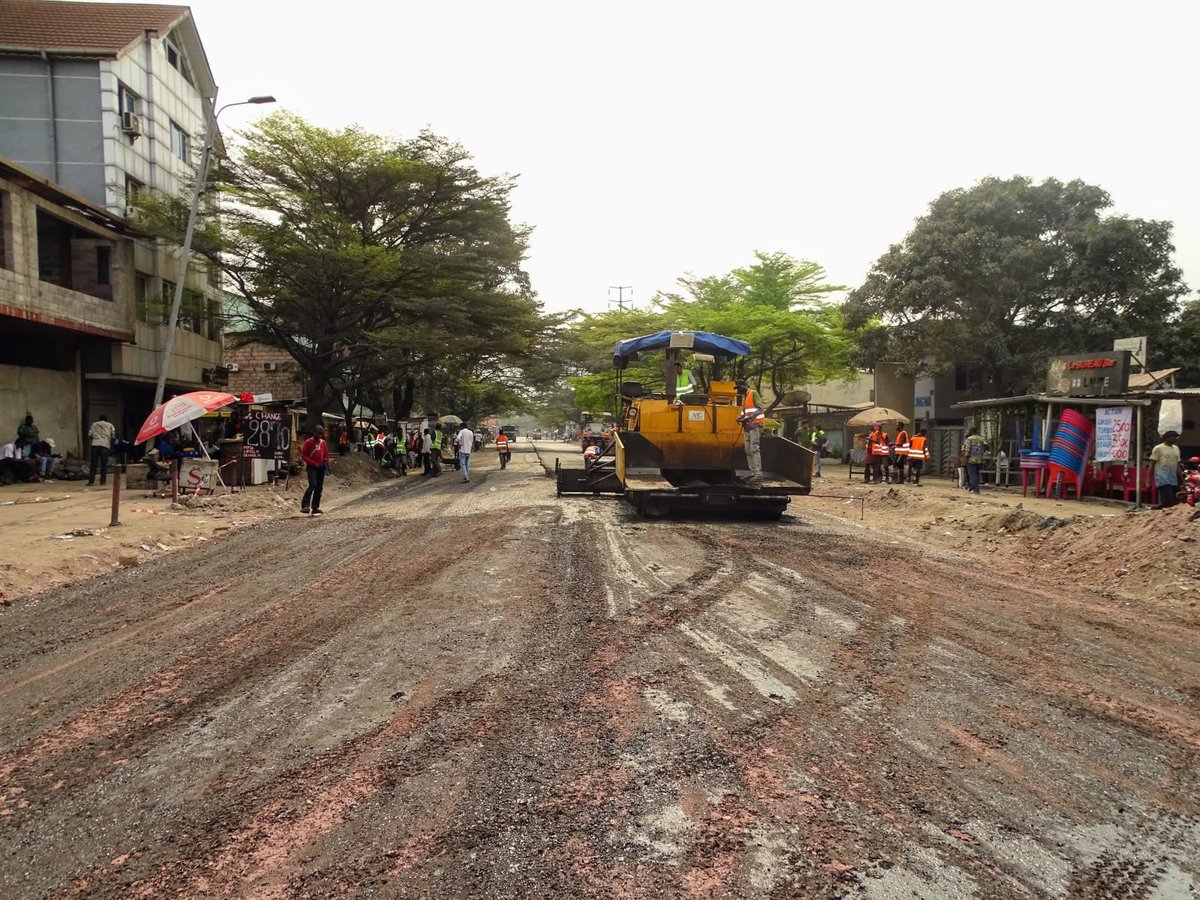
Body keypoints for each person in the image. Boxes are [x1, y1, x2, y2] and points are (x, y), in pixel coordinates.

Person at [737, 387, 765, 486]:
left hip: (755, 425)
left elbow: (760, 408)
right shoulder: (745, 398)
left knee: (754, 449)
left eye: (739, 389)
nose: (738, 392)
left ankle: (758, 474)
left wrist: (749, 417)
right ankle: (752, 472)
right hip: (747, 426)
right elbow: (745, 412)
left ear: (743, 388)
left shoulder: (753, 393)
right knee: (748, 450)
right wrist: (741, 418)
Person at [300, 425, 330, 516]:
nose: (320, 435)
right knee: (312, 485)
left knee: (319, 487)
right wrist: (312, 463)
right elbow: (303, 455)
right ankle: (305, 506)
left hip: (321, 467)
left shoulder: (323, 442)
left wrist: (326, 463)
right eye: (318, 433)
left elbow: (326, 454)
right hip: (312, 467)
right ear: (314, 433)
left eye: (321, 434)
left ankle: (315, 507)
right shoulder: (308, 442)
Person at [1150, 430, 1183, 509]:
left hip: (1173, 479)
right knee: (1169, 501)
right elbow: (1152, 464)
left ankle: (1157, 510)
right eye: (1173, 437)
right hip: (1162, 478)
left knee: (1174, 501)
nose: (1175, 439)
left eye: (1176, 437)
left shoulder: (1176, 449)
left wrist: (1182, 479)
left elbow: (1177, 465)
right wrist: (1148, 480)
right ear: (1167, 438)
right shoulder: (1158, 448)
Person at [961, 427, 987, 494]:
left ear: (971, 432)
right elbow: (986, 448)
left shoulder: (969, 439)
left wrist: (964, 458)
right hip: (979, 459)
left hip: (971, 459)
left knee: (972, 474)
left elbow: (967, 451)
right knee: (977, 474)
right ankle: (974, 488)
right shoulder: (981, 439)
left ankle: (975, 489)